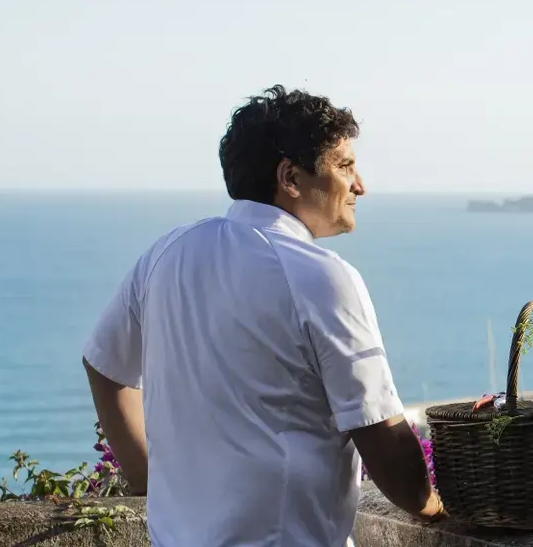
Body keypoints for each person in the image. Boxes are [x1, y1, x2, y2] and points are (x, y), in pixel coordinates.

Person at [82, 85, 444, 547]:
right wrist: (433, 505)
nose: (359, 186)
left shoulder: (167, 252)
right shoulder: (322, 278)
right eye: (345, 166)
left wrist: (146, 481)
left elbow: (103, 366)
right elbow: (384, 441)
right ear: (290, 177)